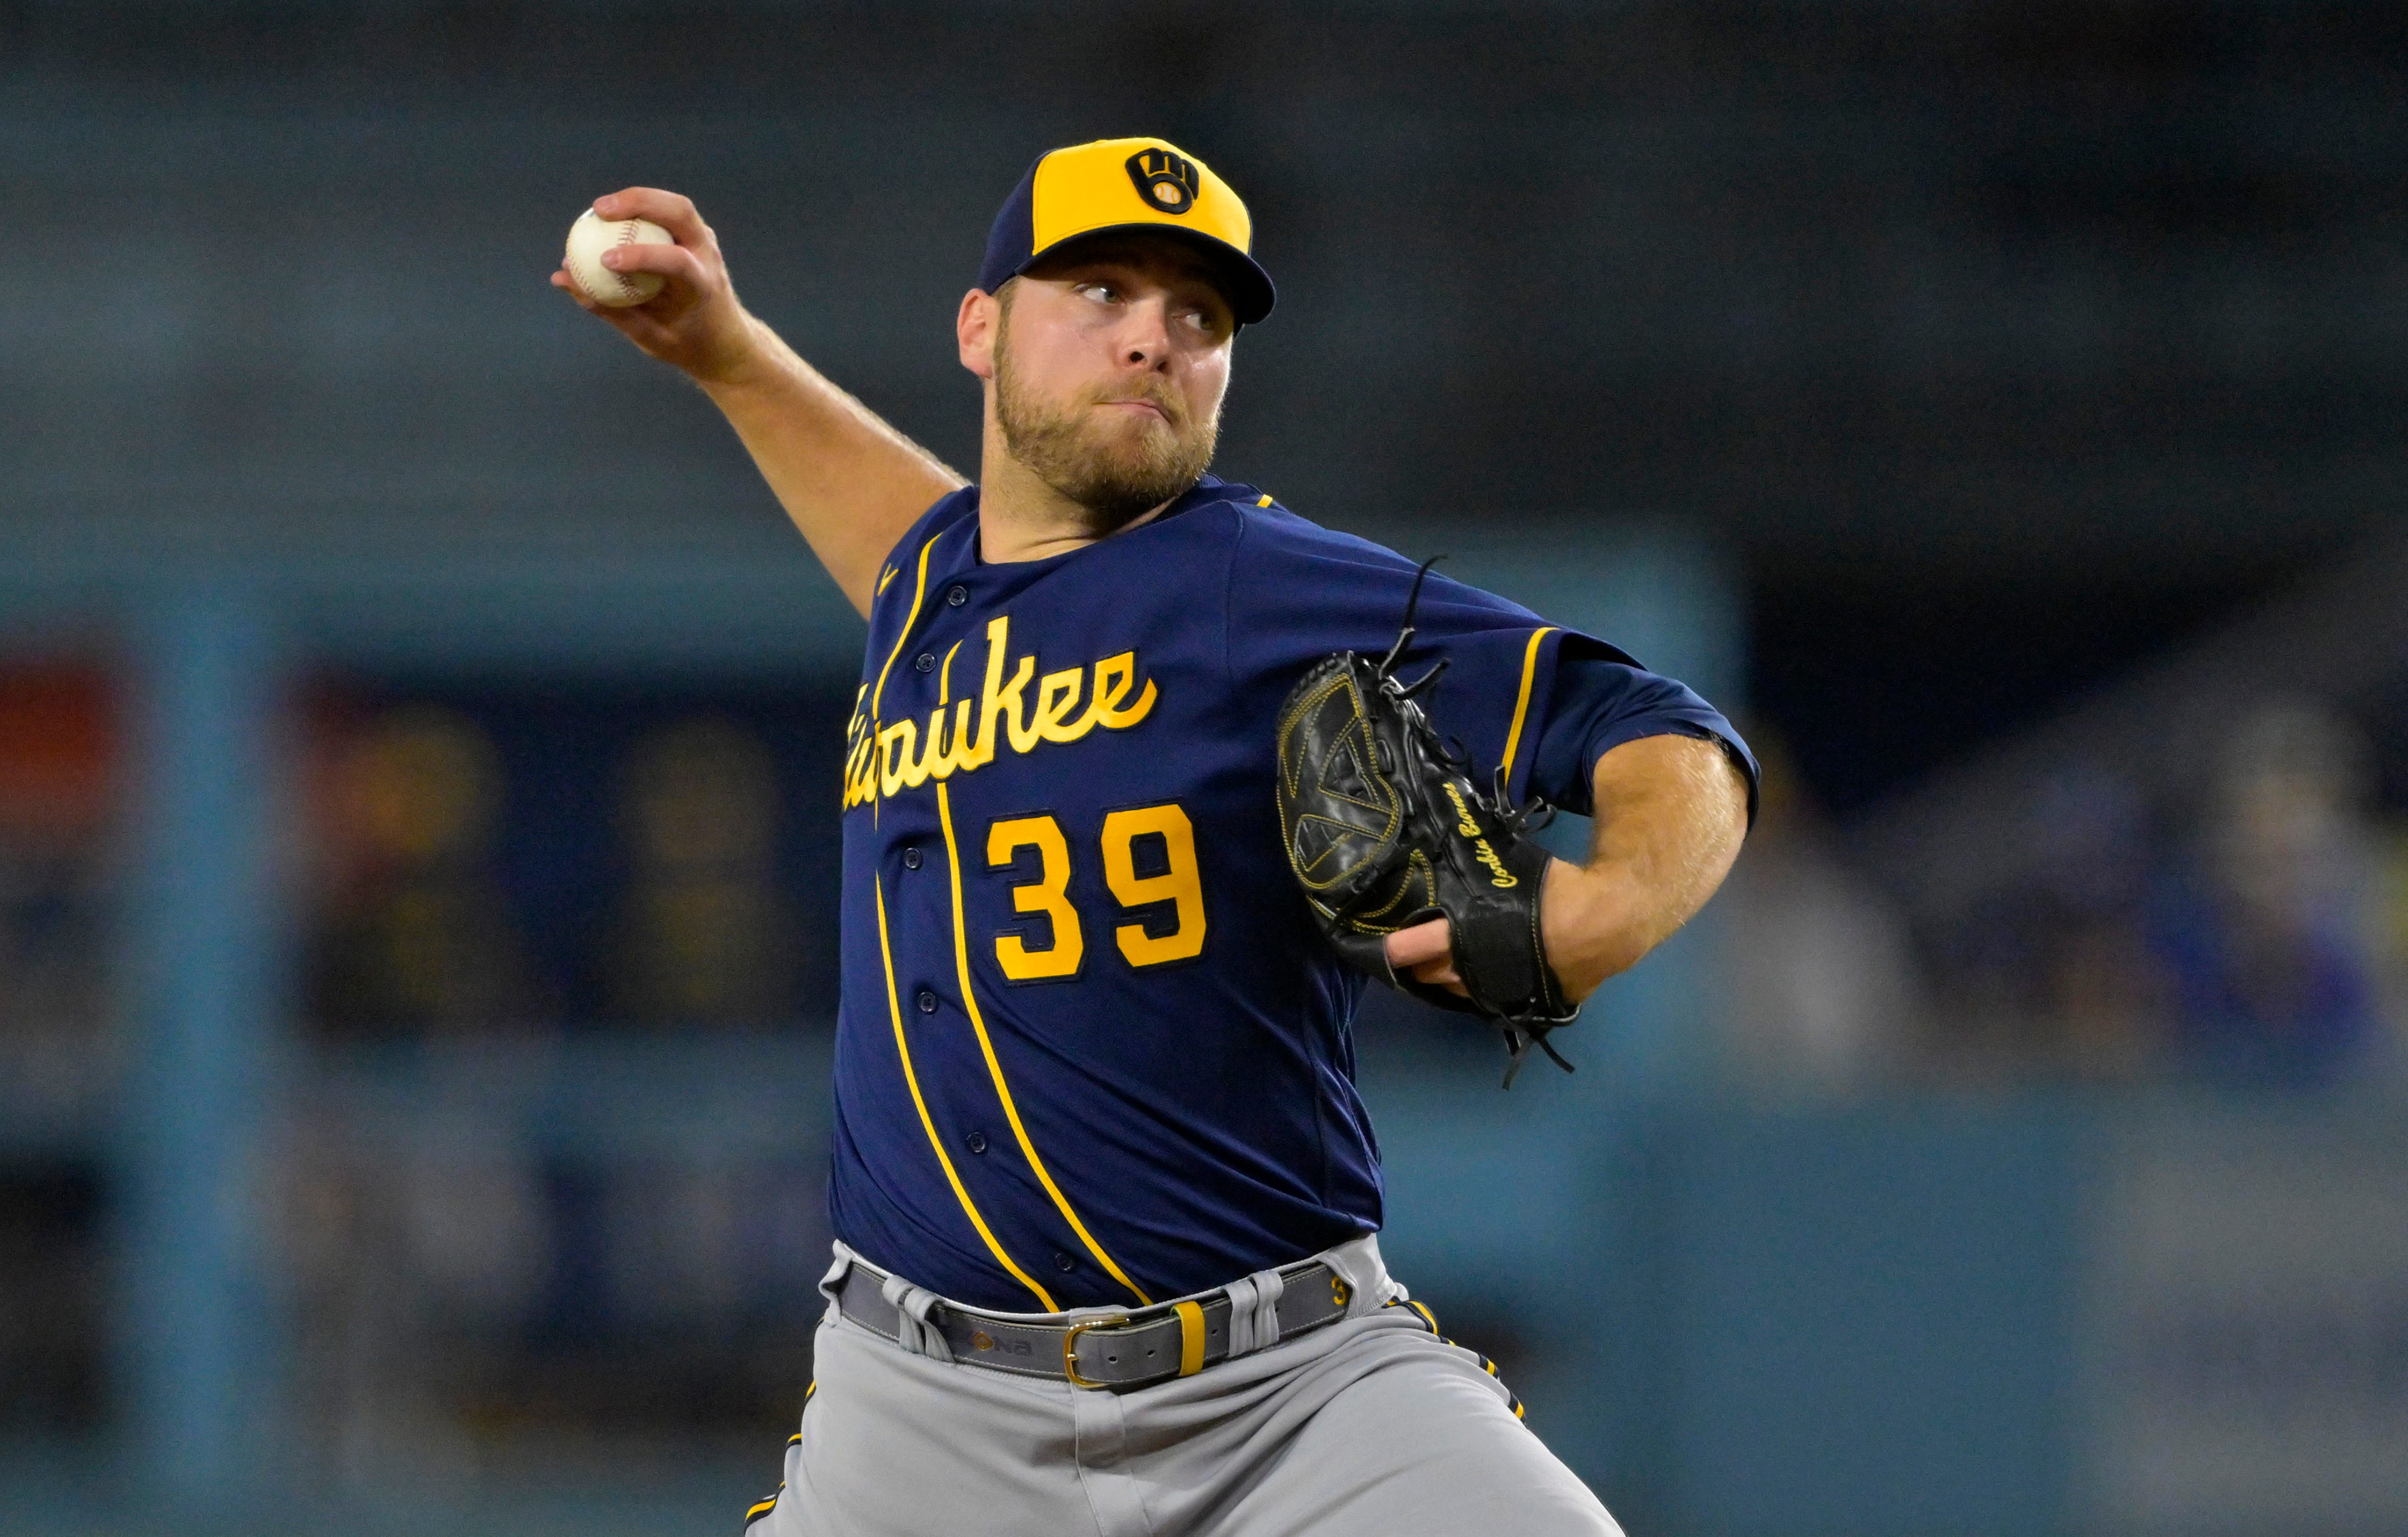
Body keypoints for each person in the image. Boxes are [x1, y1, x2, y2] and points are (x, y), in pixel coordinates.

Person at [557, 137, 1754, 1537]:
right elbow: (913, 540)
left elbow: (1666, 734)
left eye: (1200, 317)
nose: (1155, 339)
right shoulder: (938, 583)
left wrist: (1598, 917)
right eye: (1104, 290)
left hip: (1291, 1393)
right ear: (980, 326)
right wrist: (732, 355)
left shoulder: (1253, 580)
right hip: (917, 1414)